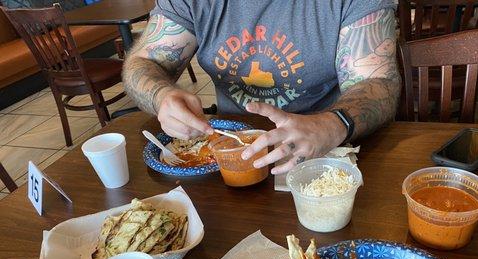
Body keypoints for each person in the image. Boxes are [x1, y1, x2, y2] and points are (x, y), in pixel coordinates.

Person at [123, 0, 400, 174]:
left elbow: (379, 82)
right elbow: (142, 63)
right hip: (230, 153)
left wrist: (330, 124)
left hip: (327, 153)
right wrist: (161, 96)